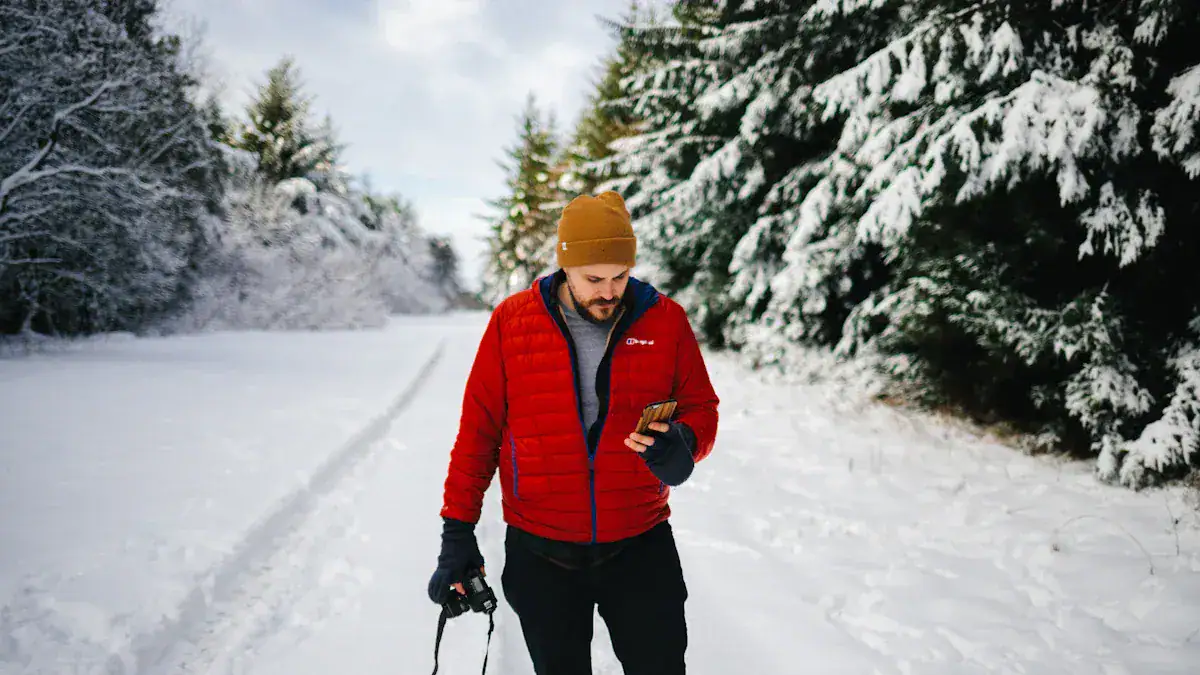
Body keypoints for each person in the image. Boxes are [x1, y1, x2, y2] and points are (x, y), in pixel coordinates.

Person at [428, 190, 720, 674]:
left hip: (639, 543)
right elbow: (478, 434)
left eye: (620, 276)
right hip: (541, 552)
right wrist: (456, 533)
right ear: (566, 266)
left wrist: (684, 443)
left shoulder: (665, 320)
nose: (609, 291)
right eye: (594, 279)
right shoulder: (512, 323)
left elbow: (701, 408)